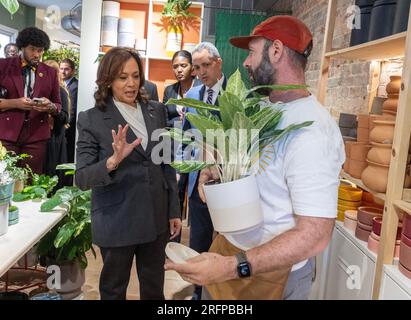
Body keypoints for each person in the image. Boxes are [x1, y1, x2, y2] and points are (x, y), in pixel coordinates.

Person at [165, 16, 345, 300]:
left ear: (275, 51)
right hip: (230, 253)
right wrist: (214, 164)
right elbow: (239, 153)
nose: (246, 62)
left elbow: (315, 234)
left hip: (271, 274)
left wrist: (232, 267)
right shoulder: (262, 106)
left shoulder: (314, 130)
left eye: (251, 52)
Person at [75, 47, 181, 300]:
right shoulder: (91, 119)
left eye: (135, 76)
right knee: (113, 290)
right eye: (123, 77)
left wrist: (173, 209)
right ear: (108, 80)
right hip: (117, 218)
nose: (131, 84)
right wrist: (112, 161)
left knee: (155, 288)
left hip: (155, 218)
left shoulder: (157, 112)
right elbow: (82, 178)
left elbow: (166, 163)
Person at [178, 42, 227, 300]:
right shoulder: (193, 95)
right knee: (198, 242)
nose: (200, 72)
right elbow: (185, 138)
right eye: (196, 68)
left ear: (219, 63)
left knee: (225, 245)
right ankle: (198, 293)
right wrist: (181, 176)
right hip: (198, 184)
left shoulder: (236, 94)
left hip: (228, 184)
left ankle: (219, 294)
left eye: (206, 65)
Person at [0, 27, 61, 174]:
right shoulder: (3, 66)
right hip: (7, 134)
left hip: (37, 136)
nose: (36, 54)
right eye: (32, 49)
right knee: (5, 180)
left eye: (40, 50)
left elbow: (58, 105)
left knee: (31, 182)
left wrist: (50, 106)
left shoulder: (50, 72)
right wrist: (15, 103)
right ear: (22, 46)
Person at [44, 59, 70, 189]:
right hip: (42, 139)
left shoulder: (61, 91)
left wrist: (53, 109)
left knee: (52, 176)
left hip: (55, 139)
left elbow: (65, 118)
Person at [163, 50, 201, 127]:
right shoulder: (169, 90)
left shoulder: (202, 88)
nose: (179, 70)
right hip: (174, 136)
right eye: (175, 67)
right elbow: (164, 122)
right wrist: (180, 120)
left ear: (192, 67)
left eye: (183, 66)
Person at [60, 58, 78, 164]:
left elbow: (72, 109)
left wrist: (65, 126)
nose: (63, 71)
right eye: (61, 68)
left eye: (66, 69)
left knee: (68, 156)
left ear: (73, 71)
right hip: (63, 124)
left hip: (69, 128)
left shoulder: (75, 86)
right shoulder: (61, 84)